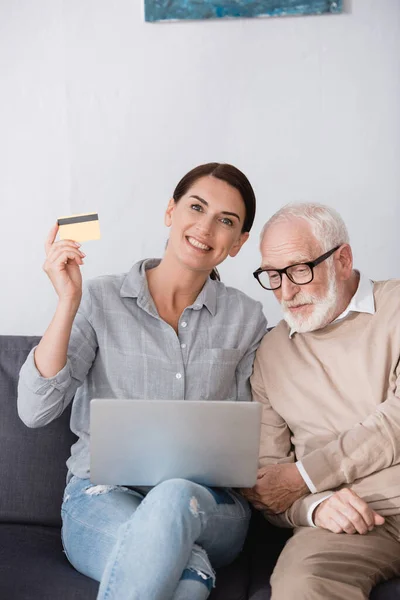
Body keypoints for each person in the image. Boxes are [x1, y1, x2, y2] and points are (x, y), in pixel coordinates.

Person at [17, 163, 267, 600]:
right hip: (101, 498)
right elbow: (34, 411)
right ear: (170, 211)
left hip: (210, 507)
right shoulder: (98, 298)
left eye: (226, 221)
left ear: (239, 243)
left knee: (173, 496)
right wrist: (68, 302)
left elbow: (257, 430)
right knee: (188, 576)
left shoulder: (246, 317)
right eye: (196, 207)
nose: (205, 227)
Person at [244, 202, 400, 599]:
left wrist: (305, 478)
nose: (286, 291)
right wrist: (313, 506)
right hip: (348, 524)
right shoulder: (270, 353)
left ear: (343, 259)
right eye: (273, 276)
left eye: (299, 269)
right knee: (302, 583)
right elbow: (268, 482)